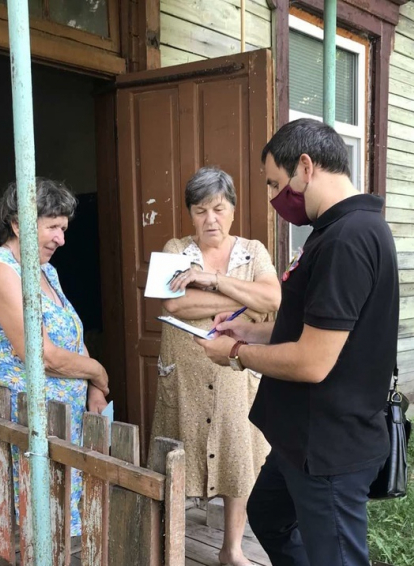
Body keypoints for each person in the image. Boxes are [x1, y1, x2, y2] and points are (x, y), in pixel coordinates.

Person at [195, 119, 399, 566]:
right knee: (268, 515)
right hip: (299, 441)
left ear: (305, 167)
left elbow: (312, 361)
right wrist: (246, 331)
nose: (273, 198)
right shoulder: (332, 232)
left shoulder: (348, 239)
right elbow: (314, 328)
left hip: (328, 447)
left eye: (275, 182)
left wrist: (235, 355)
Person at [151, 167, 281, 566]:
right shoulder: (175, 248)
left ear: (233, 210)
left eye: (219, 209)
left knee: (237, 459)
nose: (211, 219)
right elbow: (173, 304)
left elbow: (273, 299)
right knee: (176, 461)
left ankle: (231, 549)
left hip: (235, 375)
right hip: (186, 377)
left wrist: (210, 282)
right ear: (190, 213)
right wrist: (242, 299)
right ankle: (169, 548)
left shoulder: (254, 250)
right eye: (200, 210)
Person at [0, 178, 109, 537]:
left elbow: (73, 335)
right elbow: (41, 354)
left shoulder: (47, 271)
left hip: (69, 418)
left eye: (63, 228)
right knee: (41, 521)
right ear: (17, 224)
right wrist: (97, 370)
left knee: (70, 520)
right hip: (32, 418)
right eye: (52, 227)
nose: (61, 239)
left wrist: (95, 389)